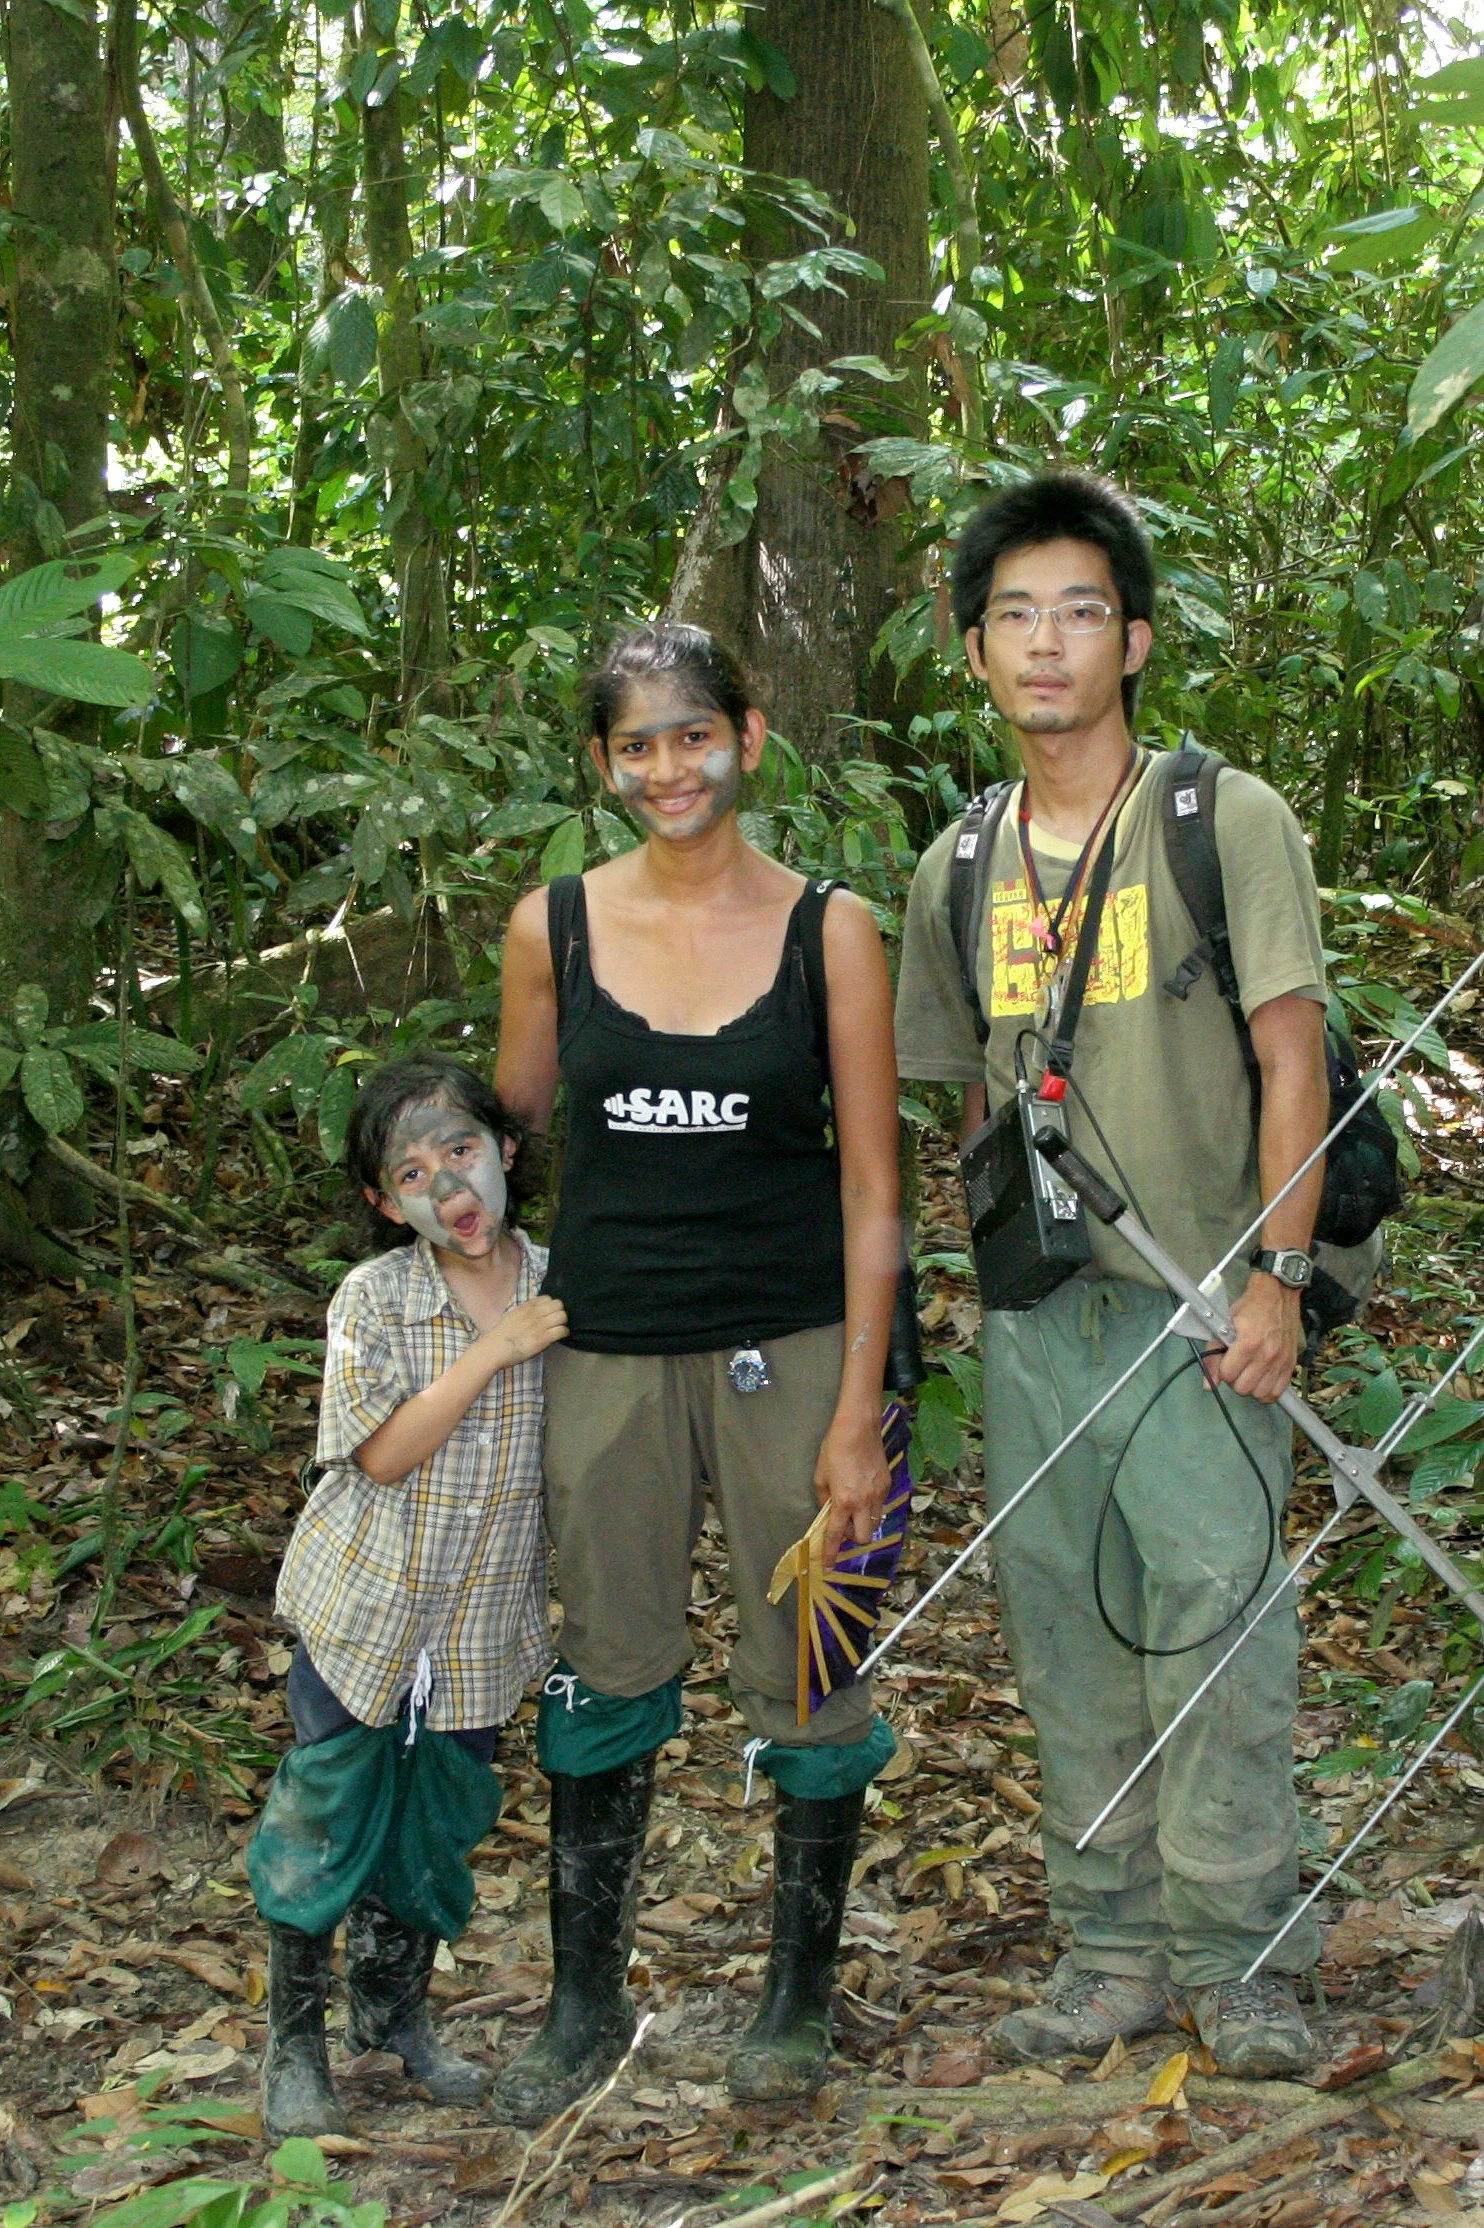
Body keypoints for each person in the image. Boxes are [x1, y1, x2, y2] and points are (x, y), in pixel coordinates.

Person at [894, 473, 1329, 2077]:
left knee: (1218, 1622)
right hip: (1040, 1316)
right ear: (975, 652)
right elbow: (958, 1089)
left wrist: (1280, 1273)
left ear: (1134, 639)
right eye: (1014, 615)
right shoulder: (957, 861)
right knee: (1064, 1632)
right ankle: (1110, 1951)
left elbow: (1294, 1060)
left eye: (1081, 611)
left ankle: (1243, 1953)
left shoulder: (1223, 819)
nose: (1047, 644)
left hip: (1205, 1297)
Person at [493, 623, 902, 2121]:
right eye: (637, 744)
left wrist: (863, 1411)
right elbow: (511, 1133)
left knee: (815, 1660)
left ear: (750, 735)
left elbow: (874, 1191)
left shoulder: (830, 930)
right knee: (606, 1663)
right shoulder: (555, 928)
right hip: (605, 1345)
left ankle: (796, 2004)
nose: (670, 767)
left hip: (792, 1348)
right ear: (602, 766)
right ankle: (585, 2005)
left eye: (693, 734)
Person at [247, 1053, 568, 2138]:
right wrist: (496, 1350)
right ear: (388, 1203)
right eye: (415, 1172)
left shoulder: (560, 1283)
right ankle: (293, 2044)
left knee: (438, 1816)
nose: (451, 1189)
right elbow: (381, 1453)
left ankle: (393, 2022)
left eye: (464, 1151)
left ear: (508, 1149)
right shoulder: (374, 1296)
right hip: (366, 1609)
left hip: (482, 1621)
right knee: (325, 1807)